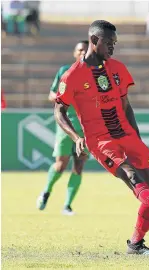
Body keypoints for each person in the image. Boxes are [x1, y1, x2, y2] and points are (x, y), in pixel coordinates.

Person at [54, 20, 149, 255]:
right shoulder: (72, 75)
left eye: (115, 43)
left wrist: (136, 138)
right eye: (108, 43)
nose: (113, 47)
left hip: (126, 134)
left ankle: (135, 244)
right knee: (131, 175)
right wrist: (76, 137)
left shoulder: (117, 68)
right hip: (100, 141)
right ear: (94, 41)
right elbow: (59, 111)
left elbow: (126, 106)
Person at [36, 41, 89, 216]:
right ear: (75, 53)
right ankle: (46, 191)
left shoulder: (95, 73)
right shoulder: (65, 71)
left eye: (85, 50)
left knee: (79, 164)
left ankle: (67, 205)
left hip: (87, 127)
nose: (83, 53)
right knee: (61, 164)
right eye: (80, 50)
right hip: (66, 123)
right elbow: (52, 94)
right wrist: (64, 97)